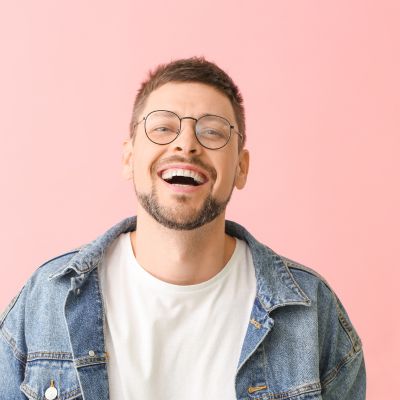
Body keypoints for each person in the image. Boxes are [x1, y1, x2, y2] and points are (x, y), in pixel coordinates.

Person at [0, 57, 366, 400]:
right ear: (129, 157)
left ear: (241, 167)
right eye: (162, 127)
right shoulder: (47, 299)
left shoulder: (310, 310)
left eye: (212, 131)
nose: (186, 144)